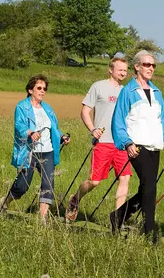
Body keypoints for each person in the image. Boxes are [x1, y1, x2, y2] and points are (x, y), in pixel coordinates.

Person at [110, 50, 164, 242]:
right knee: (150, 187)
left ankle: (118, 216)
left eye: (153, 65)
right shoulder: (128, 91)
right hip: (137, 146)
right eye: (147, 65)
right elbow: (118, 121)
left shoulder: (157, 92)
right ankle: (150, 231)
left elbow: (163, 122)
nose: (151, 68)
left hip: (155, 146)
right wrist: (127, 143)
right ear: (137, 67)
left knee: (147, 188)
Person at [65, 57, 132, 221]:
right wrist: (93, 130)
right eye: (120, 69)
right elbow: (85, 111)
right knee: (94, 182)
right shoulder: (98, 86)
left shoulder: (127, 91)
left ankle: (117, 219)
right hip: (103, 143)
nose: (123, 73)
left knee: (125, 178)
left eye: (125, 70)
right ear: (111, 70)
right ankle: (75, 199)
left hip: (122, 144)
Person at [0, 74, 70, 222]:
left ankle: (42, 218)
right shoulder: (22, 107)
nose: (42, 91)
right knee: (22, 186)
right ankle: (5, 202)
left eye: (44, 89)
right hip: (30, 151)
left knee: (48, 184)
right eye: (39, 88)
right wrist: (30, 132)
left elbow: (54, 128)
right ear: (30, 90)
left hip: (48, 151)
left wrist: (62, 137)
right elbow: (19, 125)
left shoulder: (47, 109)